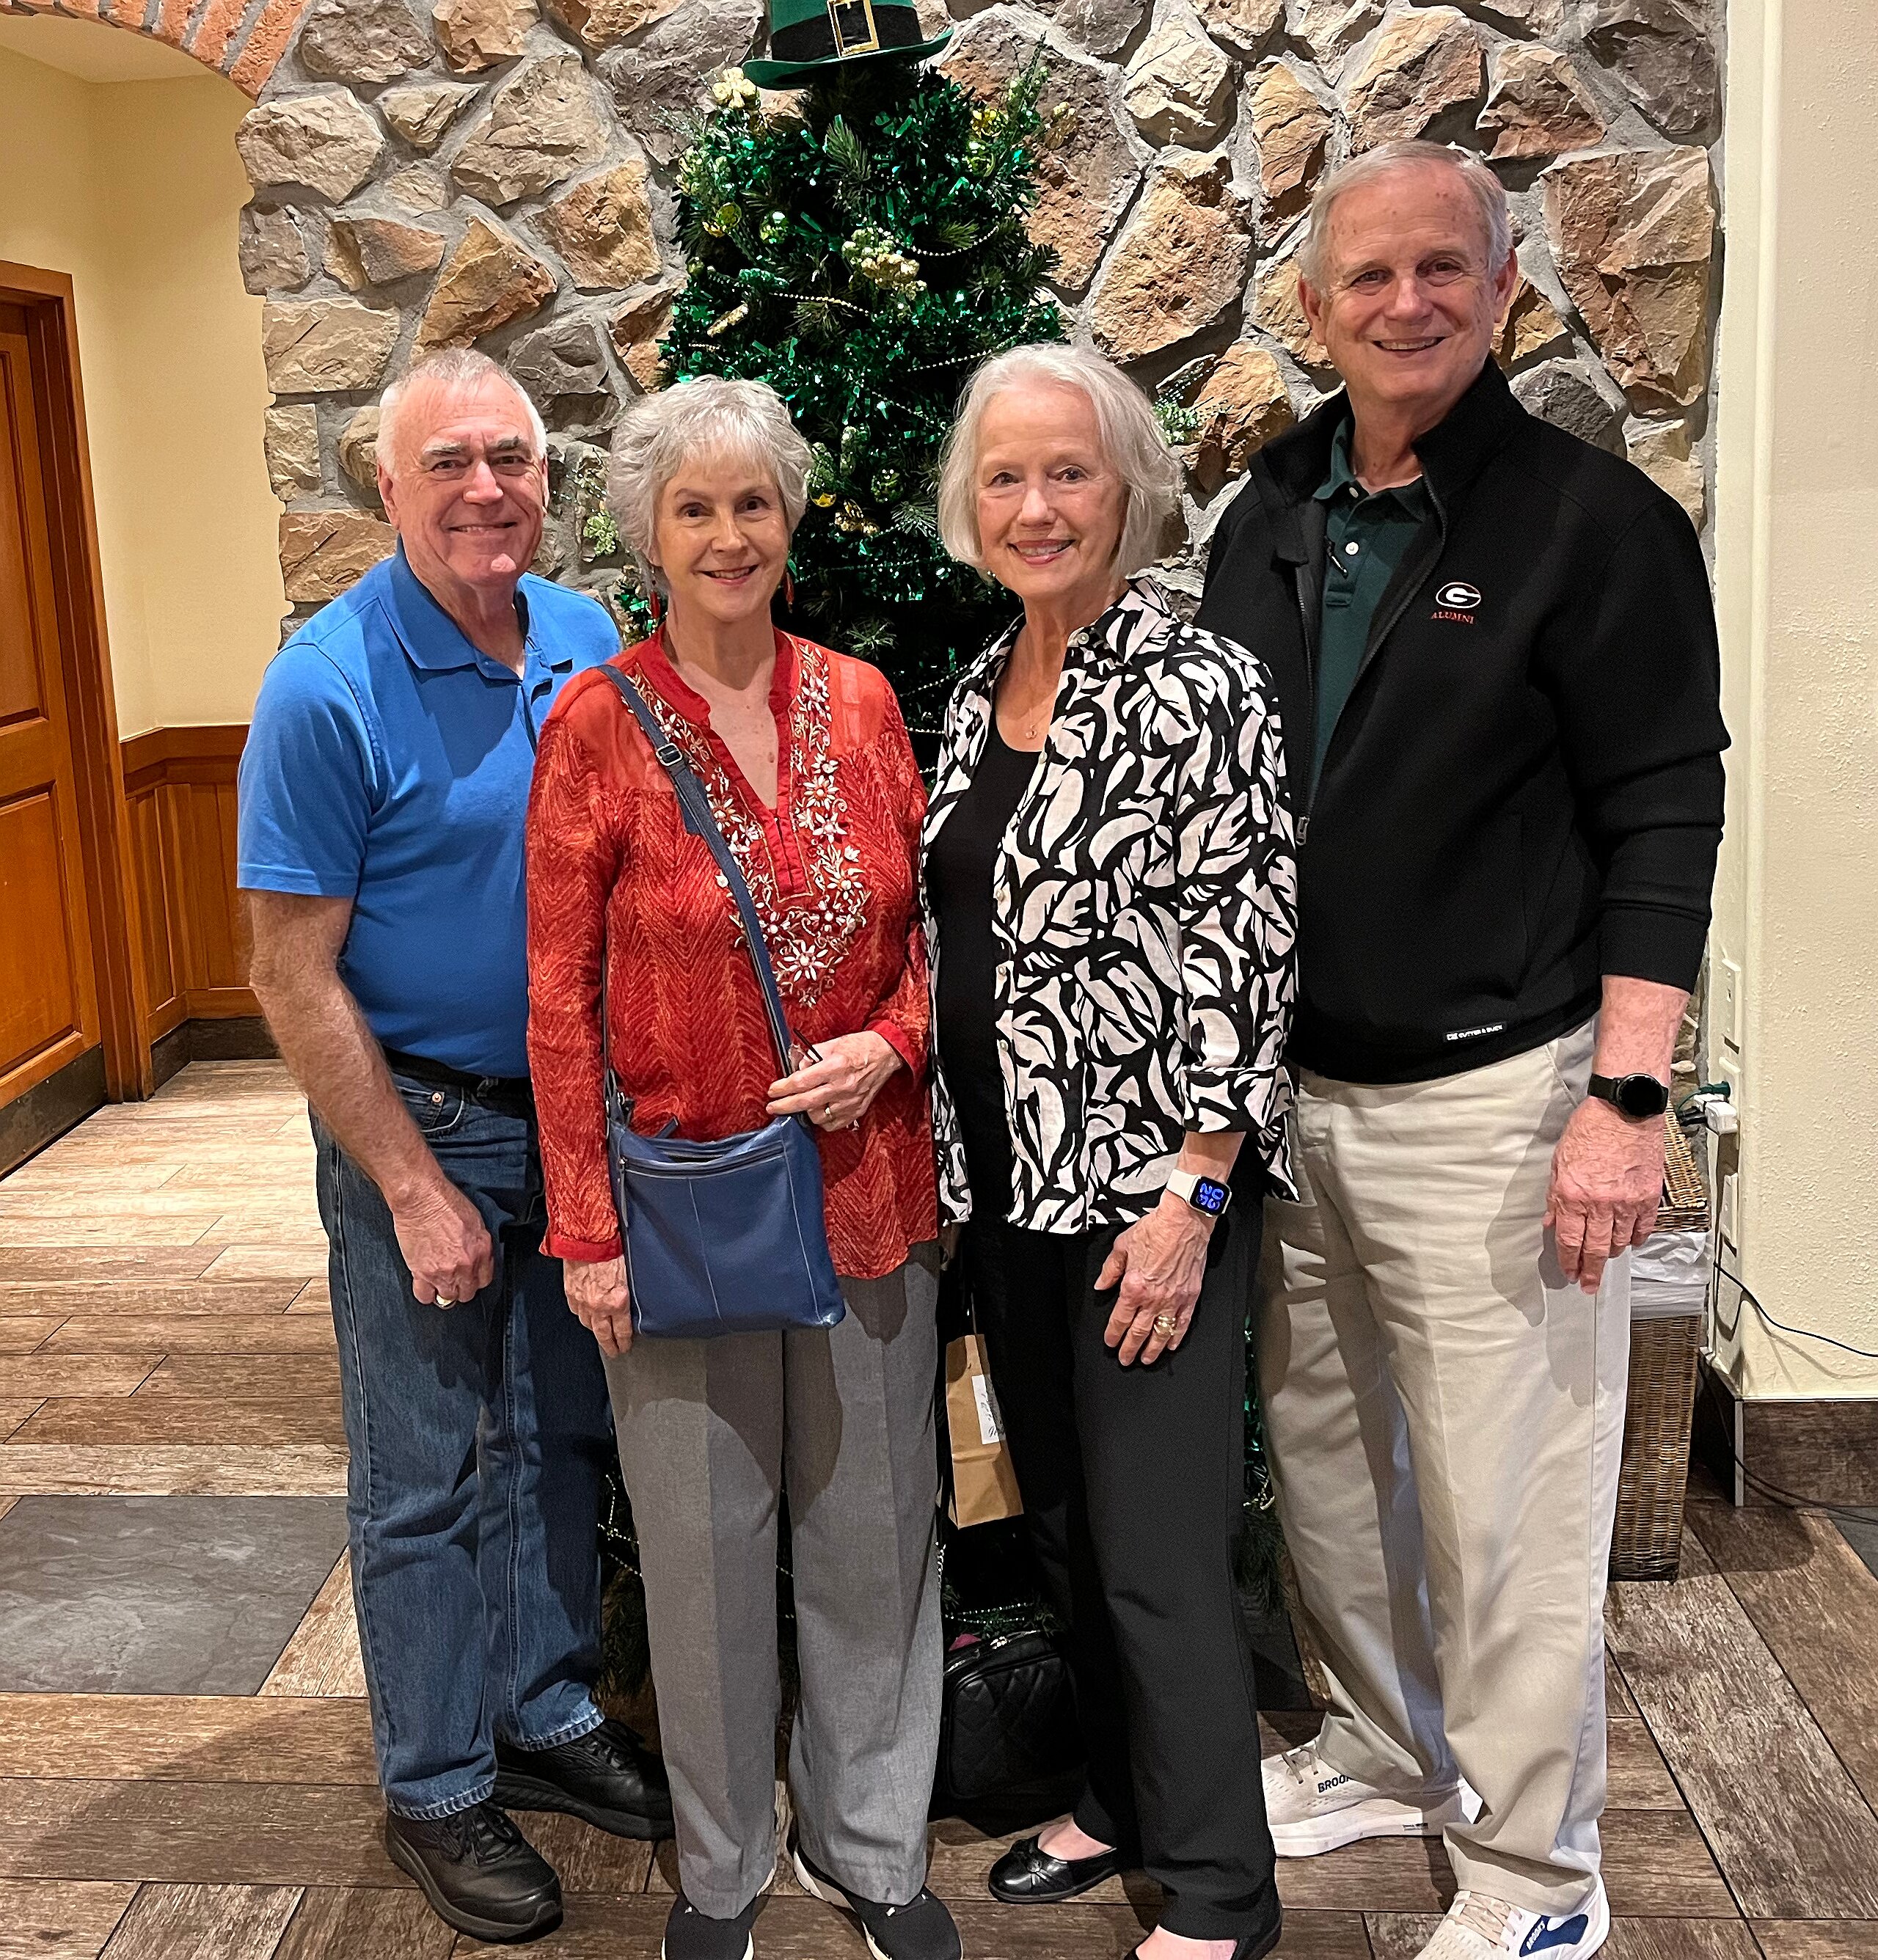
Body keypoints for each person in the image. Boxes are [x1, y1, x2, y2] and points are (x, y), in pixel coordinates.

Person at [1196, 141, 1729, 1960]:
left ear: (1505, 288)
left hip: (1501, 1099)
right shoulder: (1268, 505)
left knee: (1510, 1509)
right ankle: (1378, 1747)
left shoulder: (1592, 524)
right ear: (1312, 306)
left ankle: (1535, 1876)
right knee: (1331, 1469)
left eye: (1442, 268)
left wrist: (1625, 1099)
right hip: (1294, 1095)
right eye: (1367, 274)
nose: (1404, 302)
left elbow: (1661, 816)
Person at [238, 349, 672, 1946]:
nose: (486, 489)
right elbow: (288, 972)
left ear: (547, 477)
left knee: (557, 1435)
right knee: (422, 1475)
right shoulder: (325, 685)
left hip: (574, 1121)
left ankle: (542, 1709)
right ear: (388, 488)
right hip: (418, 1125)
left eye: (511, 458)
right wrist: (413, 1187)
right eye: (448, 464)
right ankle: (433, 1781)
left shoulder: (586, 635)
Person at [525, 374, 961, 1960]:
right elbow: (555, 998)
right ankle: (721, 1871)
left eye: (752, 502)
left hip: (871, 1197)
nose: (727, 534)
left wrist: (890, 1046)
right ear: (648, 535)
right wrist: (586, 1229)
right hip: (684, 1216)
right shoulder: (595, 725)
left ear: (792, 516)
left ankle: (875, 1845)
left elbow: (929, 941)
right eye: (693, 508)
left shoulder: (864, 701)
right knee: (703, 1560)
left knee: (875, 1535)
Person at [925, 343, 1297, 1960]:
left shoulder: (1200, 687)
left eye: (1066, 471)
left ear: (1127, 487)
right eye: (1004, 476)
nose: (1036, 505)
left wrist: (1195, 1193)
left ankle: (1221, 1890)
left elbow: (1245, 950)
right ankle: (1120, 1797)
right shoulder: (973, 689)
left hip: (1147, 1202)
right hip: (1007, 1196)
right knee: (1064, 1528)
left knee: (1155, 1553)